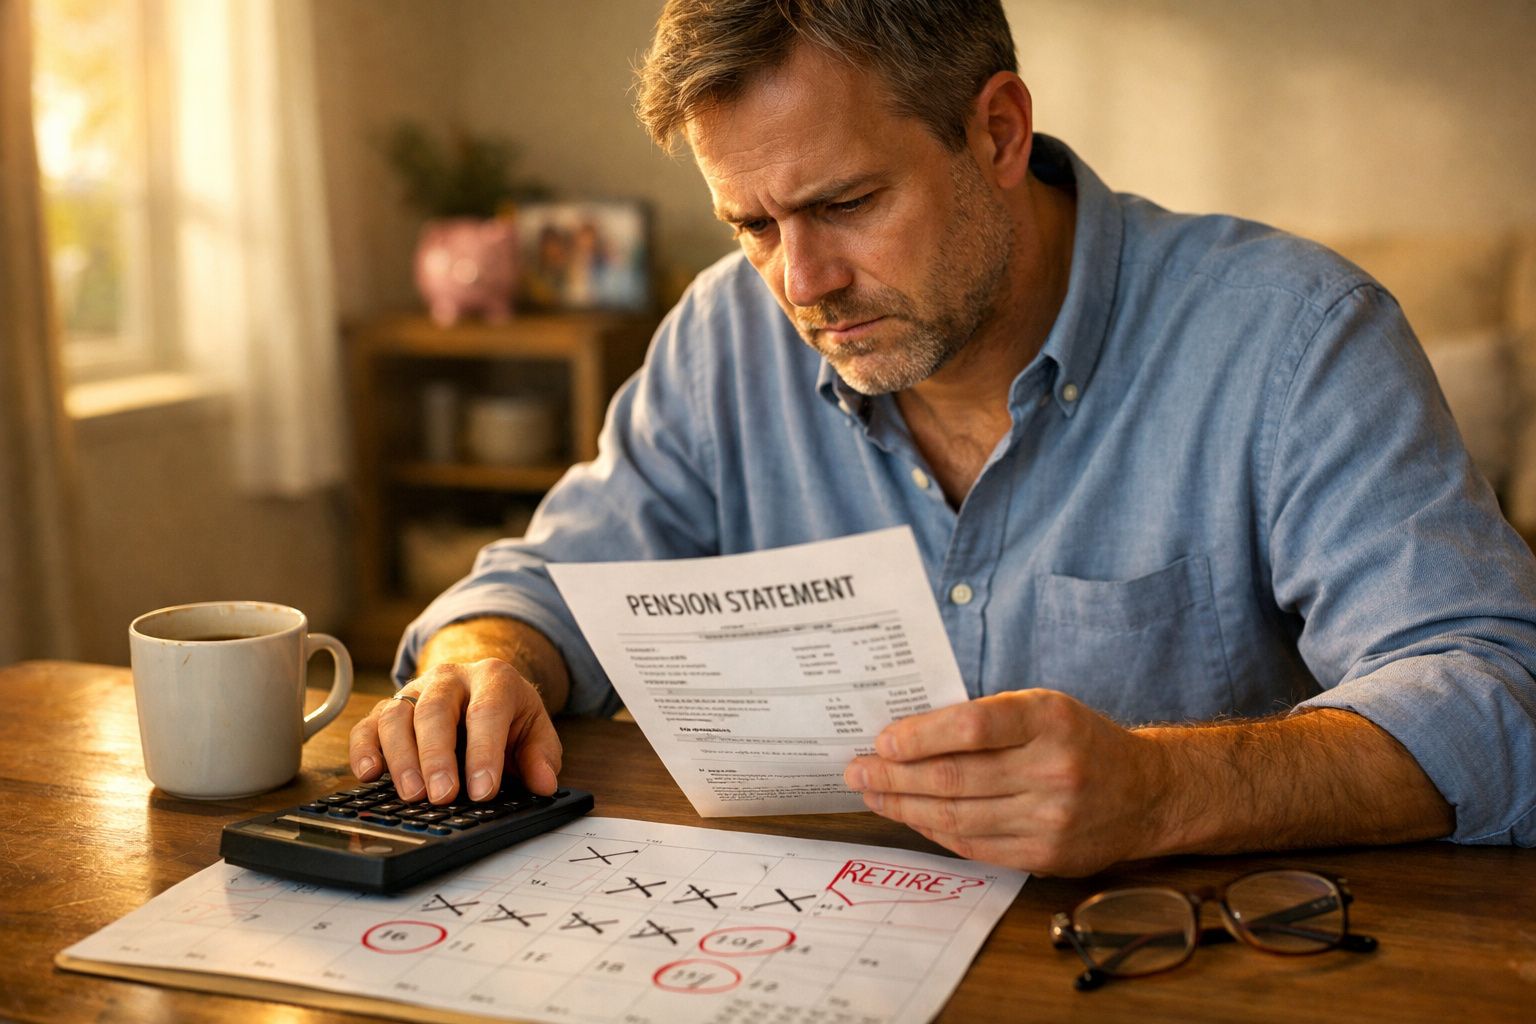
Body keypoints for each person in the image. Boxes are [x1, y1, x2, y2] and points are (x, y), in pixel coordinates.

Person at [349, 0, 1536, 875]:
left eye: (846, 204)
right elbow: (552, 582)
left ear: (1000, 131)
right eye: (751, 224)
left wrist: (1164, 788)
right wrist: (484, 661)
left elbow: (1498, 697)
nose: (800, 283)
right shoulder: (725, 334)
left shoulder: (1294, 338)